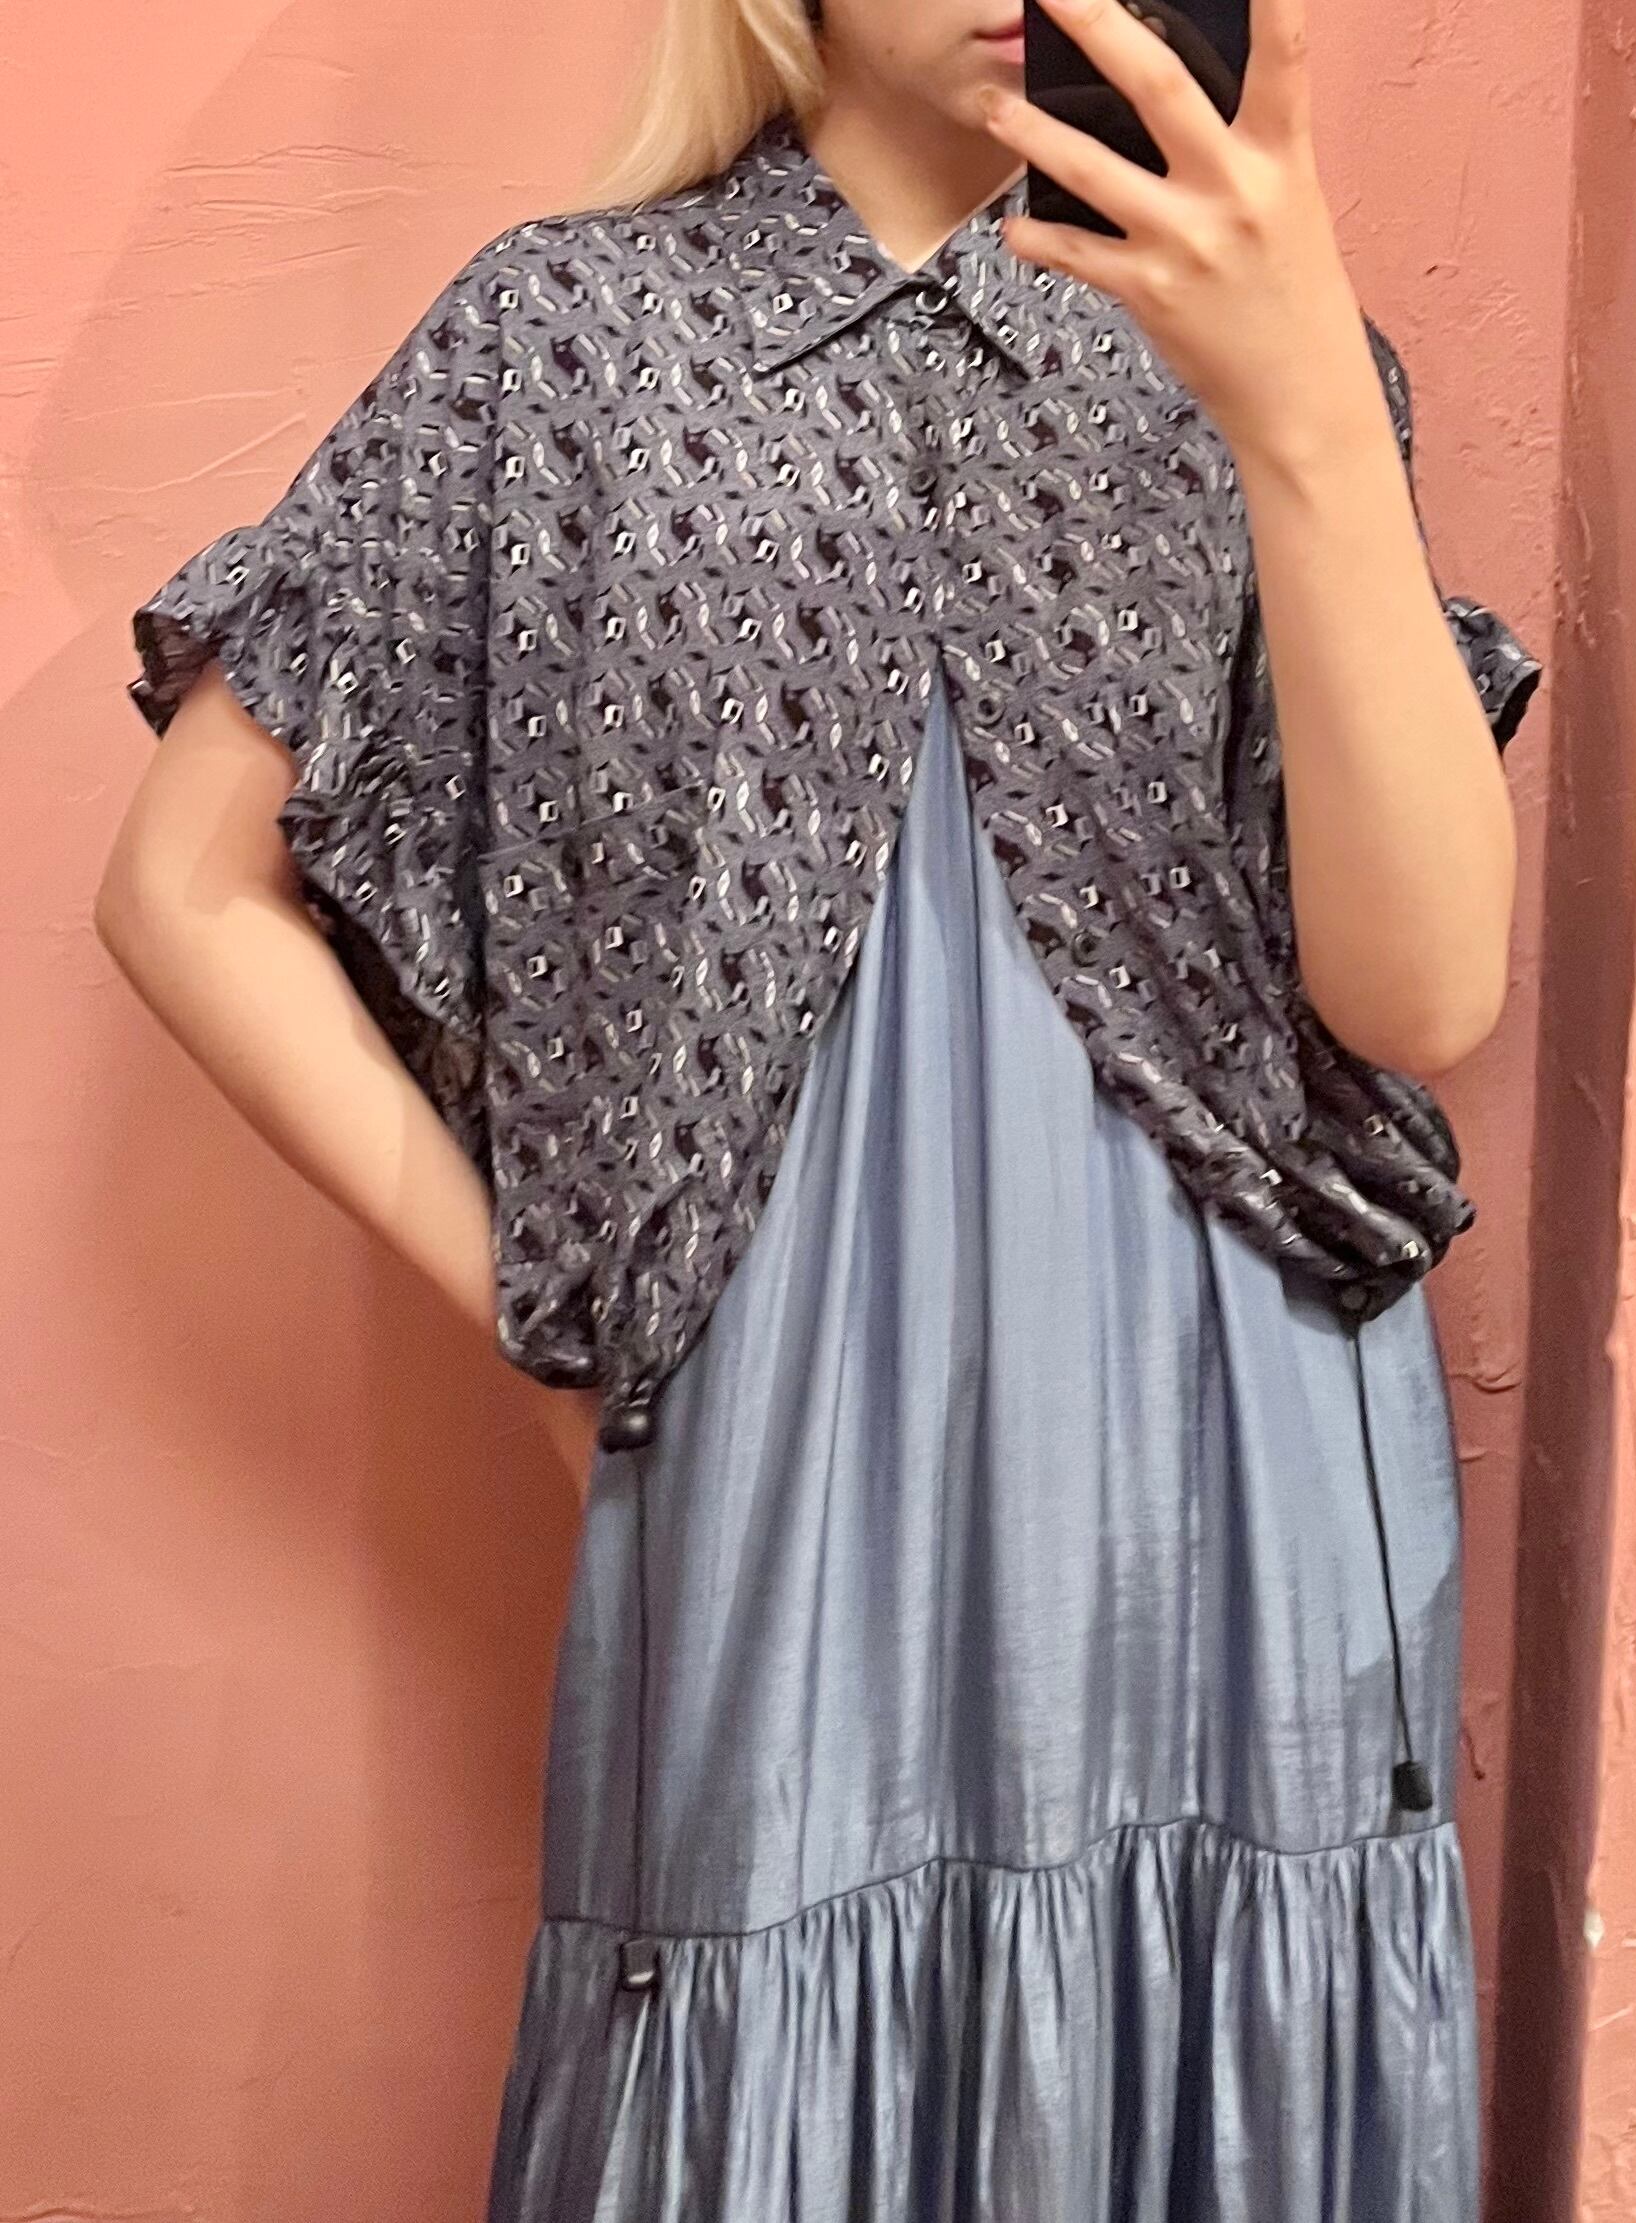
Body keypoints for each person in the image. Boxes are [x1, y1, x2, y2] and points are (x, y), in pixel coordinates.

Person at [98, 0, 1543, 2215]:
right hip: (787, 1450)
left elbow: (1421, 989)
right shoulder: (565, 342)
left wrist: (1307, 416)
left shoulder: (1272, 353)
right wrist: (552, 1320)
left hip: (1240, 1456)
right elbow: (184, 890)